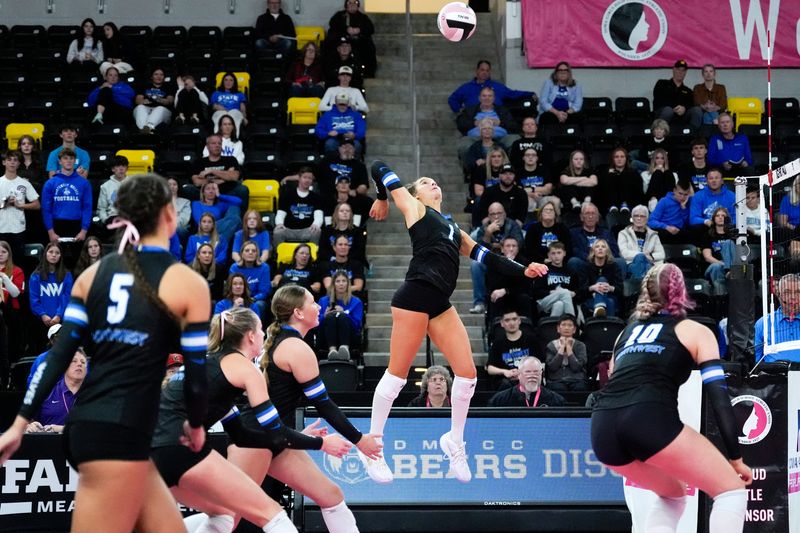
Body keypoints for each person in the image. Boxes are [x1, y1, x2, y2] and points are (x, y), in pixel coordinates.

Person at [0, 173, 212, 533]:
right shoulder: (188, 282)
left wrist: (19, 423)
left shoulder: (93, 274)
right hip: (118, 432)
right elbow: (196, 376)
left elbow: (57, 356)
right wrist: (195, 424)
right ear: (169, 215)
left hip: (96, 428)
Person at [363, 161, 548, 483]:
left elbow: (486, 257)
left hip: (439, 304)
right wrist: (382, 196)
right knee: (396, 377)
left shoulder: (451, 227)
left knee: (467, 375)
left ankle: (455, 441)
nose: (432, 183)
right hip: (414, 296)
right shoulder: (415, 209)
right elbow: (379, 166)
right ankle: (373, 447)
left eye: (434, 180)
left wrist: (524, 270)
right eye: (424, 181)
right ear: (414, 194)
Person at [191, 286, 381, 533]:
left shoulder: (280, 343)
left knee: (331, 496)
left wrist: (295, 432)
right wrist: (359, 439)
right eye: (313, 302)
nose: (319, 307)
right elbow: (323, 404)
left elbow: (279, 400)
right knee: (228, 517)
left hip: (275, 436)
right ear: (298, 313)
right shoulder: (295, 347)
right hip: (256, 438)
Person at [151, 308, 349, 533]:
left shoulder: (207, 366)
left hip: (150, 453)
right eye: (261, 330)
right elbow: (275, 433)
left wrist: (301, 438)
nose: (264, 335)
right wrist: (322, 444)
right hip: (178, 444)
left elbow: (241, 435)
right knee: (273, 515)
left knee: (223, 515)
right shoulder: (246, 369)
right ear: (251, 336)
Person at [591, 262, 751, 533]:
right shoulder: (695, 331)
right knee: (731, 491)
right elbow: (719, 398)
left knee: (673, 494)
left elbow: (615, 379)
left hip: (602, 428)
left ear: (645, 291)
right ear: (682, 291)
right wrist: (735, 458)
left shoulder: (625, 333)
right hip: (647, 416)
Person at [469, 202, 524, 314]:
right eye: (493, 214)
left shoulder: (512, 225)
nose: (496, 216)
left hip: (510, 260)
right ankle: (479, 303)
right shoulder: (484, 229)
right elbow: (480, 253)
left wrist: (498, 247)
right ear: (488, 216)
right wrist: (488, 234)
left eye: (499, 213)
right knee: (475, 264)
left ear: (504, 214)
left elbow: (519, 244)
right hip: (492, 262)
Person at [42, 149, 93, 252]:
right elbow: (46, 209)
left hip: (77, 225)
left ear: (75, 161)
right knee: (57, 260)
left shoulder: (84, 183)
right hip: (57, 225)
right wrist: (51, 232)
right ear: (60, 162)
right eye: (65, 158)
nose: (68, 161)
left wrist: (84, 231)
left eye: (71, 158)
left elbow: (87, 208)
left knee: (77, 261)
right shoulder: (50, 183)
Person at [26, 349, 87, 434]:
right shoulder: (45, 392)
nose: (79, 364)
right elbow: (26, 421)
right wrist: (31, 426)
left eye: (83, 362)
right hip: (49, 445)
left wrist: (61, 429)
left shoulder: (96, 394)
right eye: (74, 361)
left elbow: (99, 429)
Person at [29, 242, 73, 352]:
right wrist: (43, 315)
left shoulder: (67, 275)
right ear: (45, 254)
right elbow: (34, 299)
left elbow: (67, 298)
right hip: (42, 321)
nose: (54, 255)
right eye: (51, 252)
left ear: (60, 256)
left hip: (61, 320)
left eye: (57, 253)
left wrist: (58, 315)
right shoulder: (36, 276)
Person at [448, 59, 535, 113]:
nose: (485, 72)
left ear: (490, 72)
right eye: (482, 70)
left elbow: (513, 93)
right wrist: (459, 110)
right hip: (473, 121)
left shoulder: (497, 86)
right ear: (477, 71)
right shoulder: (466, 87)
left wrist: (531, 94)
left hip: (495, 119)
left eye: (487, 70)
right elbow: (453, 99)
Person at [456, 87, 519, 161]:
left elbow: (514, 126)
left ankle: (508, 168)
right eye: (484, 96)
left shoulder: (502, 110)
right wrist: (474, 123)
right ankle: (470, 169)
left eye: (490, 96)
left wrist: (500, 123)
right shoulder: (470, 110)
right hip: (476, 138)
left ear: (494, 98)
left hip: (500, 138)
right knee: (464, 146)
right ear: (479, 98)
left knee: (515, 141)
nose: (487, 98)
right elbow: (460, 124)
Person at [0, 149, 41, 261]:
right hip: (1, 228)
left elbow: (37, 205)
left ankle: (18, 279)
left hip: (18, 229)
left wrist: (20, 205)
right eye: (9, 160)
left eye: (15, 160)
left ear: (19, 164)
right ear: (4, 162)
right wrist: (4, 204)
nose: (12, 162)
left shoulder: (24, 183)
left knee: (18, 260)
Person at [754, 273, 800, 363]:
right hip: (774, 376)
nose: (793, 297)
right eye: (787, 292)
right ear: (778, 294)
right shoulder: (763, 324)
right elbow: (756, 363)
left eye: (798, 292)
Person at [317, 270, 363, 361]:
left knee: (342, 317)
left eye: (344, 281)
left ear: (348, 284)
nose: (341, 284)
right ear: (333, 284)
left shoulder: (356, 301)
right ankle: (332, 350)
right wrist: (324, 316)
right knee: (330, 317)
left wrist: (345, 313)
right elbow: (316, 323)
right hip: (326, 336)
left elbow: (357, 325)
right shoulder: (323, 301)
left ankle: (344, 349)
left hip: (350, 336)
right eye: (338, 281)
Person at [190, 135, 247, 205]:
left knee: (242, 189)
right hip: (205, 194)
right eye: (213, 143)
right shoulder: (199, 162)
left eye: (219, 143)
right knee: (188, 189)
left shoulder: (231, 159)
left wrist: (211, 171)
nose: (217, 145)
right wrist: (223, 178)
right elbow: (197, 182)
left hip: (228, 193)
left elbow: (234, 177)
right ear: (207, 146)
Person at [273, 167, 324, 246]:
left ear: (312, 181)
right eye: (305, 177)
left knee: (317, 231)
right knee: (278, 232)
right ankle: (278, 256)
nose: (307, 180)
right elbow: (280, 214)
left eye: (309, 178)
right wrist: (279, 224)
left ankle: (314, 256)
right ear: (299, 178)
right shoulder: (287, 195)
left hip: (307, 230)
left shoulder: (316, 197)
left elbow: (319, 216)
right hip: (289, 230)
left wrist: (316, 225)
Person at [486, 310, 535, 390]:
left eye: (514, 319)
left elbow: (540, 363)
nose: (511, 323)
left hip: (528, 378)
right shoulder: (497, 343)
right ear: (502, 323)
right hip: (505, 382)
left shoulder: (531, 339)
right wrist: (505, 372)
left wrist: (522, 372)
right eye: (507, 320)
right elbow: (490, 368)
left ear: (519, 321)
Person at [487, 356, 566, 407]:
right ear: (519, 374)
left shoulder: (556, 401)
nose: (532, 375)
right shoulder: (500, 400)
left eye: (536, 371)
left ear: (541, 374)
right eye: (528, 372)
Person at [327, 0, 377, 77]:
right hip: (343, 40)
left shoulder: (363, 17)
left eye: (355, 3)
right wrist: (346, 29)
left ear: (358, 5)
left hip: (358, 41)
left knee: (368, 45)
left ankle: (367, 72)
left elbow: (371, 28)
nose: (352, 4)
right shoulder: (340, 15)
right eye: (350, 2)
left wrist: (359, 30)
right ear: (346, 5)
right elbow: (332, 23)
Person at [598, 147, 644, 230]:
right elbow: (601, 193)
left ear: (626, 159)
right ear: (613, 159)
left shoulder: (634, 173)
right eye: (617, 157)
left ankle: (624, 203)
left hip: (629, 206)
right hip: (610, 207)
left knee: (625, 175)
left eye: (622, 157)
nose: (619, 159)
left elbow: (638, 193)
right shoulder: (605, 173)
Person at [652, 59, 702, 133]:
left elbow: (691, 104)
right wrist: (673, 108)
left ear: (685, 73)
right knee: (668, 110)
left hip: (681, 117)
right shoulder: (662, 83)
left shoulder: (688, 91)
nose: (680, 72)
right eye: (678, 69)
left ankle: (693, 135)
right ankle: (660, 134)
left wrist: (684, 108)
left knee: (697, 110)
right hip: (663, 114)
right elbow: (658, 100)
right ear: (674, 70)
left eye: (683, 70)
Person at [618, 205, 665, 281]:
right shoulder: (623, 233)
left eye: (642, 216)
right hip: (631, 264)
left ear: (647, 219)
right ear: (632, 218)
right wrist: (643, 255)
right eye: (636, 216)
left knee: (647, 266)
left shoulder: (653, 235)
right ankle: (643, 288)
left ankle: (638, 288)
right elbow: (624, 253)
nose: (639, 218)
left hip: (648, 264)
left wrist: (651, 256)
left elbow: (661, 254)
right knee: (641, 259)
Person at [533, 241, 579, 318]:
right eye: (553, 253)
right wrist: (551, 292)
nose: (556, 256)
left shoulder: (571, 271)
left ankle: (552, 327)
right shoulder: (544, 269)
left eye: (559, 253)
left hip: (563, 302)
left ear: (564, 253)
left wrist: (574, 293)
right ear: (548, 255)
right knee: (564, 292)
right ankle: (572, 321)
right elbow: (535, 292)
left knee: (559, 304)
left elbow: (577, 290)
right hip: (543, 302)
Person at [544, 314, 589, 392]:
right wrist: (561, 348)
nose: (566, 328)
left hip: (577, 379)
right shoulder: (551, 345)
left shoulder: (580, 346)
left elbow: (576, 367)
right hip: (556, 380)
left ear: (574, 329)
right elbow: (552, 367)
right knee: (558, 389)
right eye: (563, 325)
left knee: (580, 388)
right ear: (558, 328)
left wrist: (568, 348)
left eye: (570, 325)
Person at [580, 239, 622, 318]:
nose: (600, 249)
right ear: (593, 251)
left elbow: (620, 289)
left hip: (610, 296)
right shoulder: (586, 267)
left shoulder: (614, 266)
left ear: (607, 251)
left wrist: (610, 288)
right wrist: (593, 288)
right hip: (591, 298)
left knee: (609, 300)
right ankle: (609, 327)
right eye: (597, 247)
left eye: (603, 247)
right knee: (609, 302)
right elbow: (581, 290)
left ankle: (599, 308)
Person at [315, 93, 367, 157]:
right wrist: (327, 133)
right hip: (334, 139)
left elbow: (362, 129)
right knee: (330, 144)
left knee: (357, 145)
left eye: (344, 104)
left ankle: (354, 164)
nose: (342, 106)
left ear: (348, 103)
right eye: (340, 104)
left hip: (351, 139)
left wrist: (355, 135)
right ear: (336, 103)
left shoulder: (356, 115)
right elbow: (318, 129)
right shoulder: (327, 114)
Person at [229, 240, 271, 317]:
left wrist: (252, 299)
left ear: (257, 254)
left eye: (254, 251)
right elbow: (231, 287)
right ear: (241, 253)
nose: (250, 253)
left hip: (256, 300)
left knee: (259, 305)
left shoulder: (264, 267)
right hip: (237, 297)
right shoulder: (234, 268)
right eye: (247, 250)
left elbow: (265, 291)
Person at [689, 168, 736, 232]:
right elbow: (693, 219)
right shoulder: (698, 196)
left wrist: (726, 224)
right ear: (706, 181)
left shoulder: (732, 196)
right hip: (706, 229)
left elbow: (736, 217)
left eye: (716, 178)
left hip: (727, 229)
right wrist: (706, 221)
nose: (714, 180)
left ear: (722, 181)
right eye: (711, 178)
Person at [649, 179, 693, 245]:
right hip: (664, 230)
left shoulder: (688, 202)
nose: (682, 197)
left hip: (679, 232)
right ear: (674, 191)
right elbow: (651, 221)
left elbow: (687, 223)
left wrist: (683, 208)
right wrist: (667, 227)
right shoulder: (664, 201)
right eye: (680, 193)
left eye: (685, 194)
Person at [133, 67, 176, 134]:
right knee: (140, 107)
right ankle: (144, 129)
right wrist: (143, 101)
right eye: (156, 74)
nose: (159, 76)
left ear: (164, 77)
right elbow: (138, 100)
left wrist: (158, 99)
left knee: (160, 108)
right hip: (146, 109)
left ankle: (147, 128)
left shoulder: (168, 87)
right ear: (151, 77)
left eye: (161, 75)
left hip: (163, 111)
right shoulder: (145, 86)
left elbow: (169, 101)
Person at [701, 207, 735, 288]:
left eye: (723, 215)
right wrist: (724, 264)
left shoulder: (733, 234)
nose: (720, 217)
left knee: (728, 242)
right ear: (713, 219)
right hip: (715, 265)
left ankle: (730, 272)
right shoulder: (708, 235)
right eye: (717, 215)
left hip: (732, 266)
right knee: (716, 266)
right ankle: (719, 293)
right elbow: (707, 257)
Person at [95, 155, 128, 239]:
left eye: (123, 166)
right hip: (112, 220)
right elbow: (101, 208)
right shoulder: (105, 186)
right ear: (113, 169)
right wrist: (105, 220)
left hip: (128, 219)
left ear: (127, 168)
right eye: (118, 166)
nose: (121, 169)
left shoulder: (133, 184)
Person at [515, 147, 556, 213]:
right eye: (528, 155)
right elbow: (518, 191)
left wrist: (531, 189)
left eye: (533, 155)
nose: (530, 157)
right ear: (523, 158)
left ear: (537, 158)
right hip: (527, 198)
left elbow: (548, 189)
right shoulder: (518, 172)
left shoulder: (544, 170)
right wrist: (532, 194)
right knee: (528, 203)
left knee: (556, 201)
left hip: (543, 197)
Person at [644, 148, 680, 214]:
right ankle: (654, 201)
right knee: (657, 173)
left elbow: (676, 191)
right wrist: (656, 173)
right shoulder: (645, 174)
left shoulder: (673, 175)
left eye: (662, 158)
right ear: (653, 160)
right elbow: (645, 191)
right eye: (657, 158)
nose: (660, 161)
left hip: (667, 199)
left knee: (668, 173)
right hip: (651, 200)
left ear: (665, 160)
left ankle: (668, 203)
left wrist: (664, 173)